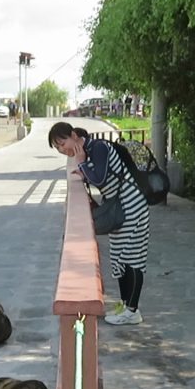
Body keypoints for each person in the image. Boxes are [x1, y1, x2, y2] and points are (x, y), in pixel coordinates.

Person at [48, 122, 149, 325]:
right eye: (57, 147)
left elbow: (100, 178)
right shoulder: (89, 150)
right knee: (119, 257)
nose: (62, 150)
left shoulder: (98, 147)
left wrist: (82, 164)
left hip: (132, 206)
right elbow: (97, 176)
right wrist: (84, 170)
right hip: (120, 208)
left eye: (62, 143)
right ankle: (124, 304)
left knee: (132, 258)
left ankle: (132, 311)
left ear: (74, 135)